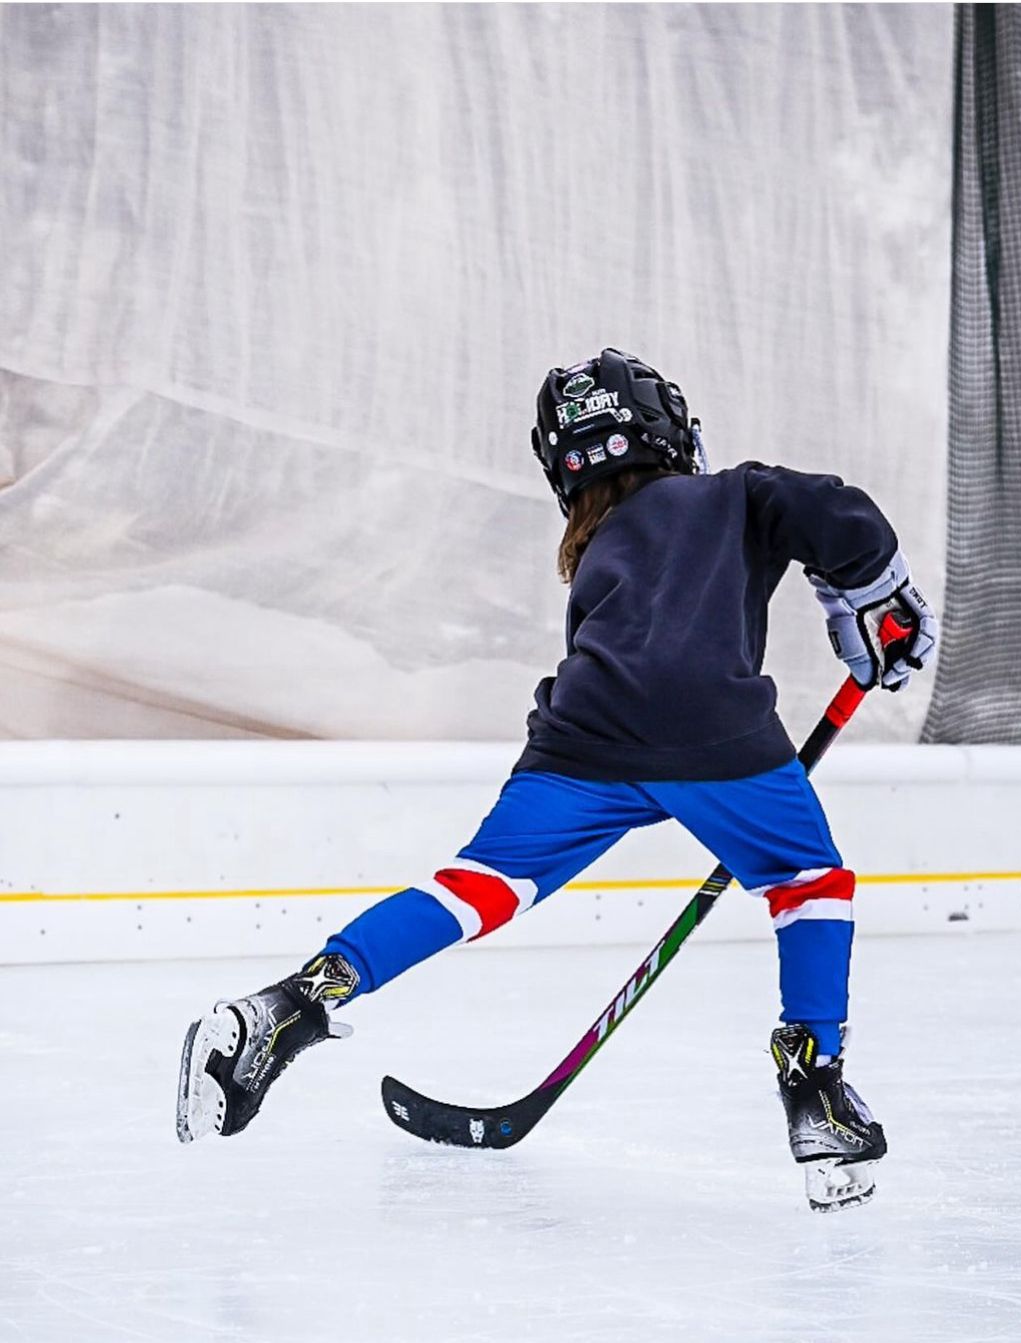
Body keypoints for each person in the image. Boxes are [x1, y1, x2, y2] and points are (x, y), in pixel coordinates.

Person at [176, 349, 938, 1212]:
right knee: (808, 882)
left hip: (584, 736)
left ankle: (286, 1006)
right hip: (716, 735)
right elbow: (835, 511)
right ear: (667, 428)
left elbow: (631, 657)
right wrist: (874, 596)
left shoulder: (597, 542)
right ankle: (817, 1090)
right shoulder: (732, 493)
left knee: (473, 886)